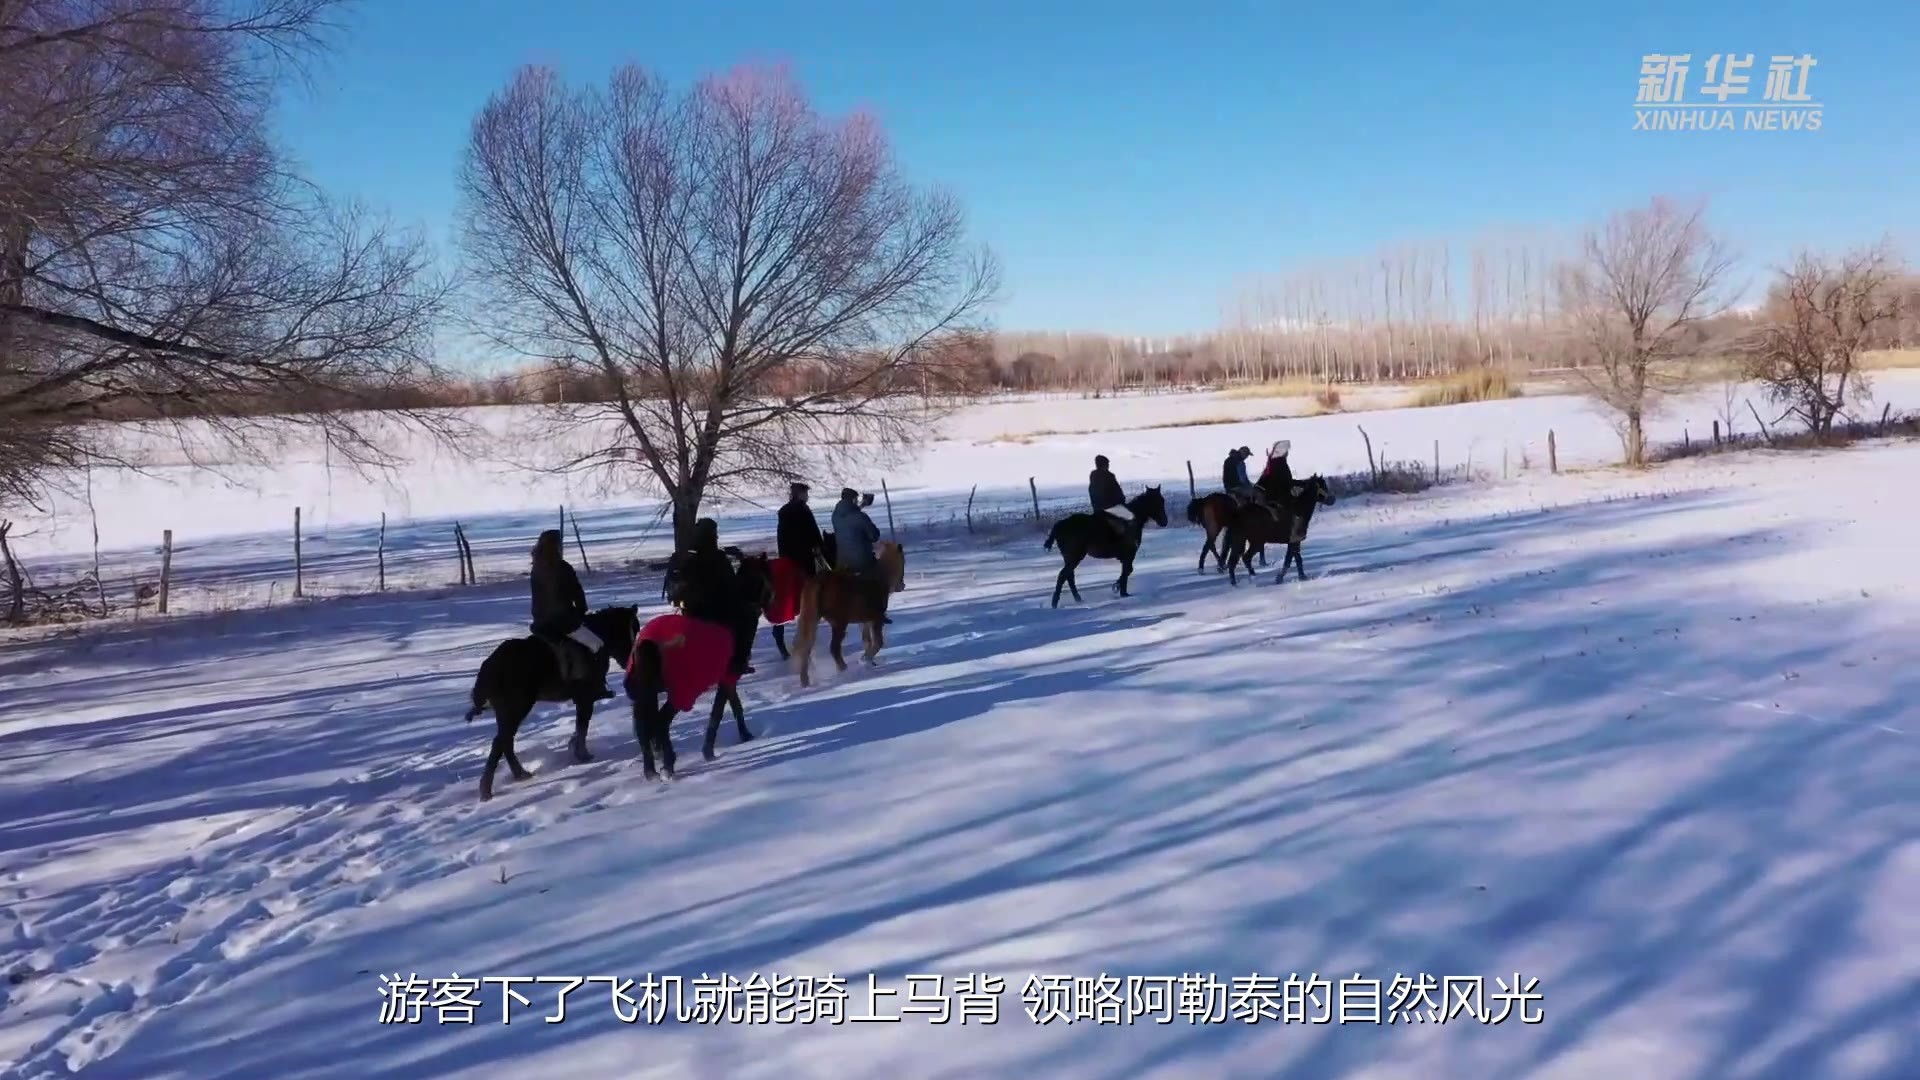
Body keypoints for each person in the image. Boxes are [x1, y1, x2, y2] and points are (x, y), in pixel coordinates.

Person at [670, 518, 756, 676]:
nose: (716, 538)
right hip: (718, 612)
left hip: (695, 612)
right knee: (750, 615)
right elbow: (732, 586)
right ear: (710, 536)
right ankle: (740, 660)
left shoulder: (689, 560)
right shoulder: (718, 558)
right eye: (714, 535)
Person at [529, 528, 608, 693]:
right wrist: (581, 611)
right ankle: (598, 686)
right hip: (563, 621)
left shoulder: (536, 567)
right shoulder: (562, 567)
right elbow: (576, 591)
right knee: (598, 645)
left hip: (541, 622)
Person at [830, 486, 892, 622]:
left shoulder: (835, 516)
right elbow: (874, 536)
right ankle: (878, 611)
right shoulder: (861, 517)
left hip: (842, 560)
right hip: (861, 560)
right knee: (879, 579)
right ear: (853, 499)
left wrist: (861, 505)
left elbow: (850, 516)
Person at [776, 481, 825, 575]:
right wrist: (820, 546)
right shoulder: (803, 509)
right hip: (804, 553)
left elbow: (780, 535)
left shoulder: (784, 510)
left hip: (788, 554)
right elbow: (813, 530)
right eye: (806, 493)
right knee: (807, 578)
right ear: (801, 494)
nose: (807, 496)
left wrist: (782, 553)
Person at [1088, 454, 1131, 536]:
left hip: (1098, 508)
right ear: (1104, 465)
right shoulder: (1109, 476)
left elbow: (1093, 492)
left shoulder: (1094, 476)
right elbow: (1116, 490)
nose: (1108, 466)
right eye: (1107, 464)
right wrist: (1121, 500)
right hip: (1111, 507)